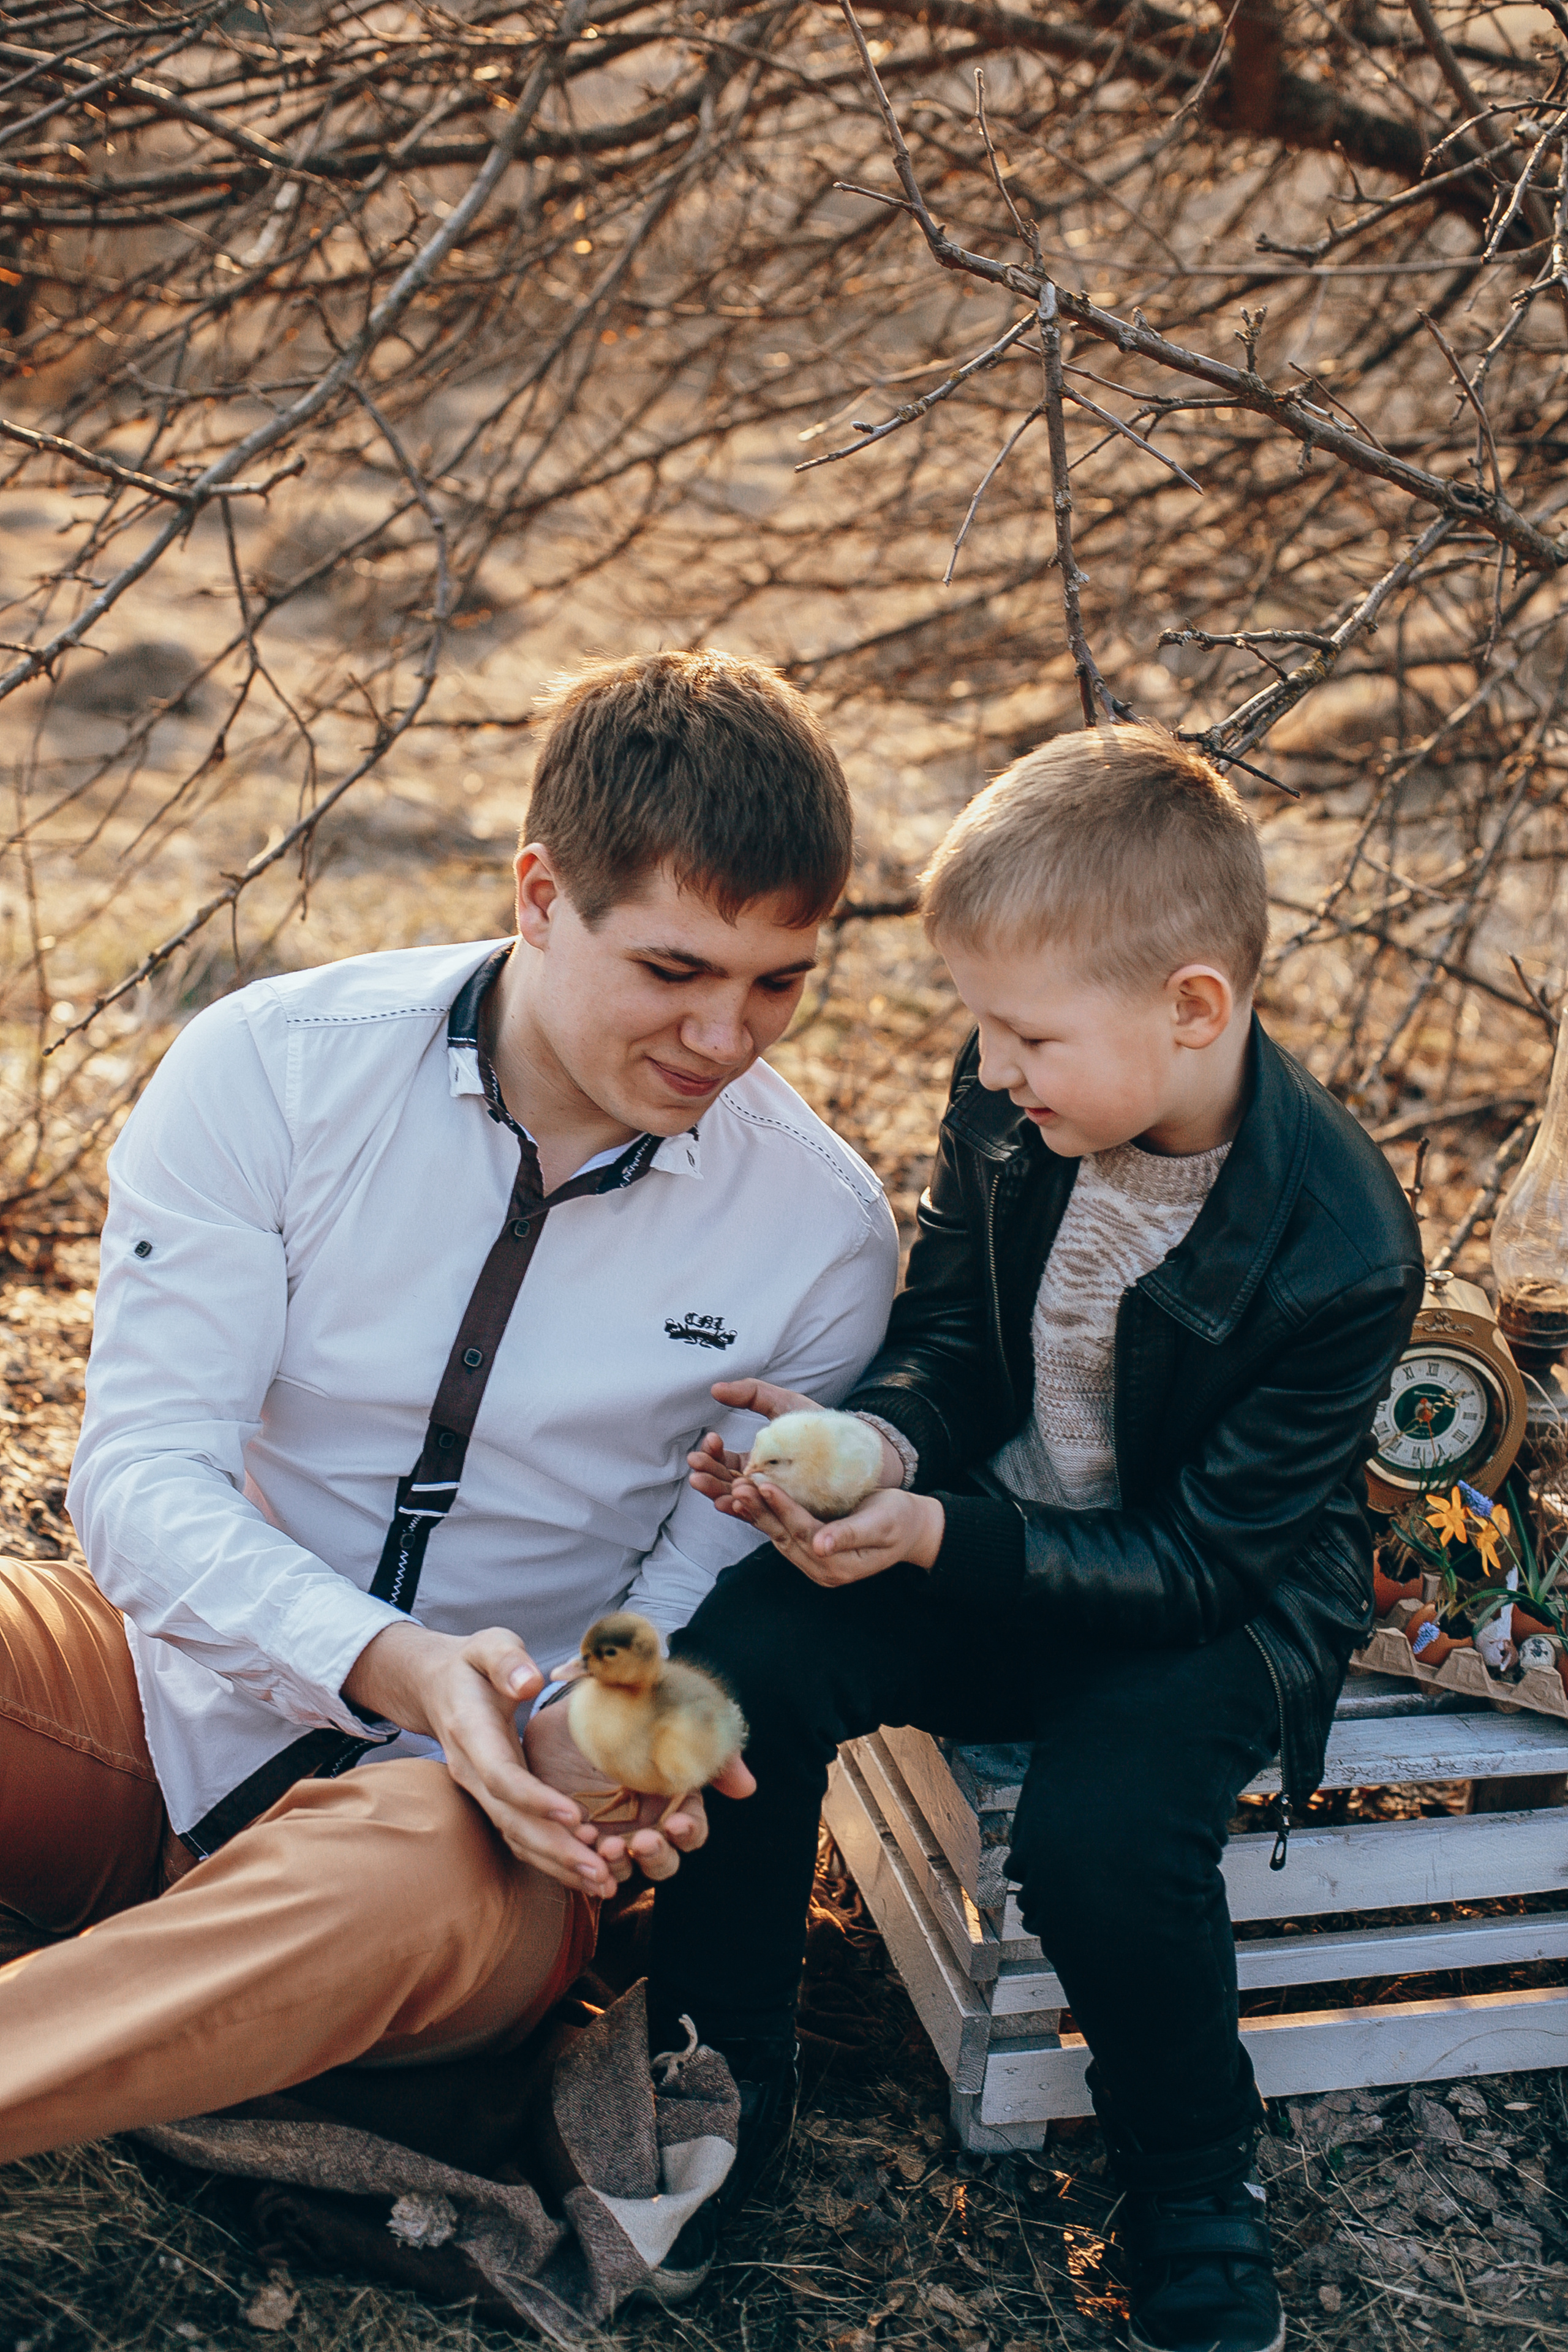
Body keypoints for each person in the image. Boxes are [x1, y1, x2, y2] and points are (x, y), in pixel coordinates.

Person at [0, 650, 899, 2264]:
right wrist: (392, 1661)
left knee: (388, 1888)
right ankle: (179, 1986)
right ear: (540, 895)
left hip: (468, 1836)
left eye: (781, 982)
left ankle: (154, 2005)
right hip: (170, 1700)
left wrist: (577, 1746)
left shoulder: (821, 1236)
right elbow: (139, 1483)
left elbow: (681, 1620)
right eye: (678, 968)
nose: (727, 1037)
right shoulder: (271, 1068)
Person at [653, 725, 1425, 2352]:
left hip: (1205, 1605)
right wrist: (869, 1446)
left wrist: (938, 1535)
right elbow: (956, 1332)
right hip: (995, 1526)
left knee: (1101, 1847)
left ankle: (1196, 2176)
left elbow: (1210, 1561)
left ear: (1193, 1008)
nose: (993, 1070)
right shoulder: (1017, 1100)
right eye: (983, 1033)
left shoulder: (1342, 1244)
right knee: (732, 1669)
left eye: (1027, 1038)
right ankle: (714, 2087)